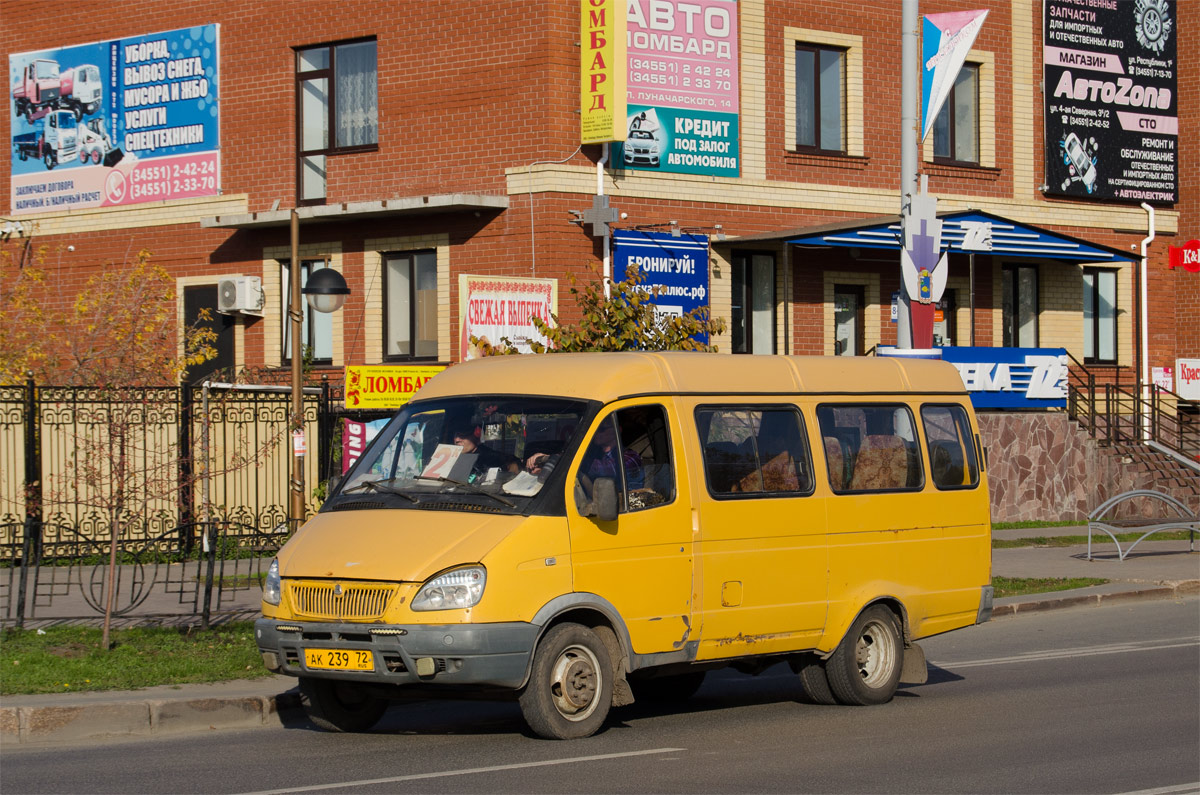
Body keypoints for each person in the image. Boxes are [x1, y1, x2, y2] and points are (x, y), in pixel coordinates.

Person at [451, 426, 519, 475]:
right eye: (455, 435)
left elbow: (514, 464)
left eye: (463, 436)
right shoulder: (451, 459)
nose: (457, 440)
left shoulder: (491, 457)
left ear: (475, 436)